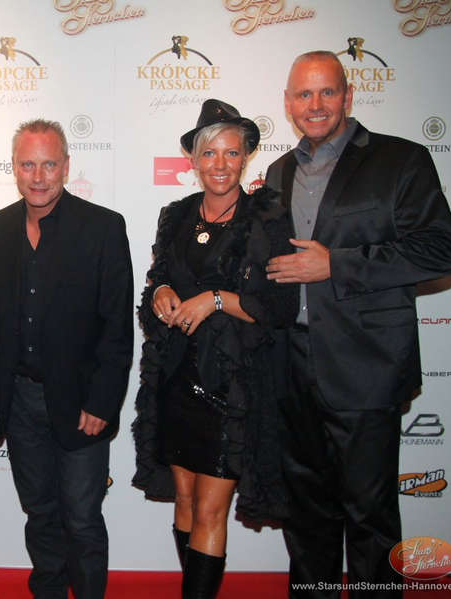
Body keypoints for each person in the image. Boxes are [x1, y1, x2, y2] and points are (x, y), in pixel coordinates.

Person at [264, 51, 451, 597]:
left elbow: (440, 250)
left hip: (365, 370)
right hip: (292, 369)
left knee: (371, 519)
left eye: (327, 92)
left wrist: (338, 264)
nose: (315, 104)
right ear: (288, 104)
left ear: (348, 96)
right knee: (307, 518)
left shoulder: (401, 160)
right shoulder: (278, 173)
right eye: (303, 94)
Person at [132, 99, 299, 598]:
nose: (220, 164)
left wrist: (217, 299)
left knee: (210, 509)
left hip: (232, 387)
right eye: (209, 153)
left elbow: (279, 307)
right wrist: (160, 292)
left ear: (245, 157)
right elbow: (158, 280)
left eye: (231, 153)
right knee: (185, 501)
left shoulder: (267, 218)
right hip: (177, 377)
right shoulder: (177, 216)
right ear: (194, 160)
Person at [0, 119, 134, 599]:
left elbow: (117, 328)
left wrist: (103, 402)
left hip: (82, 402)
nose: (39, 177)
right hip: (19, 403)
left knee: (82, 519)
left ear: (66, 166)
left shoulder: (103, 228)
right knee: (40, 514)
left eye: (49, 165)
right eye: (28, 165)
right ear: (14, 168)